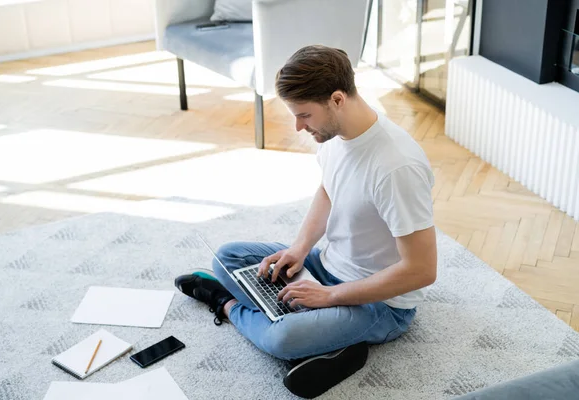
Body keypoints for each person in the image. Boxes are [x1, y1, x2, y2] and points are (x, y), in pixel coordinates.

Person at [174, 45, 437, 396]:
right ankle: (321, 336)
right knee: (228, 257)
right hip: (326, 265)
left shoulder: (396, 168)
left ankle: (226, 302)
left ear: (337, 99)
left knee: (283, 338)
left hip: (380, 304)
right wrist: (300, 249)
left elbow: (422, 270)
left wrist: (329, 297)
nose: (298, 127)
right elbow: (329, 189)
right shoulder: (335, 135)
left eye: (304, 115)